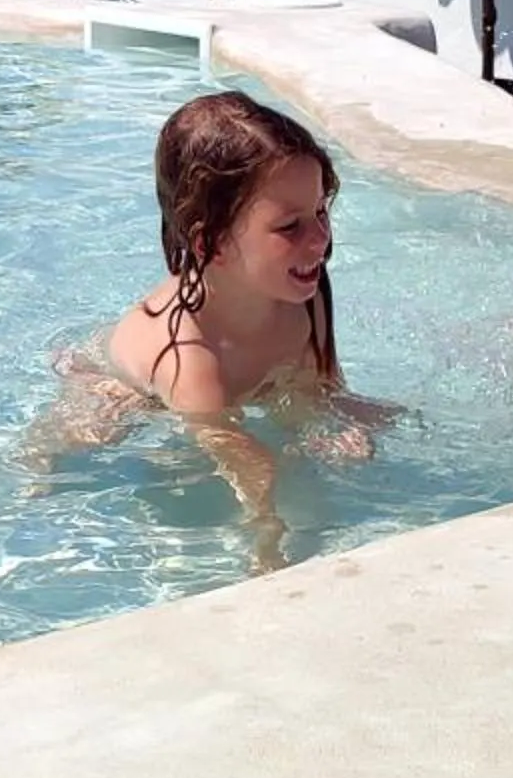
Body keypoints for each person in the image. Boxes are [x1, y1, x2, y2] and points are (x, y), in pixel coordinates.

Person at [43, 91, 375, 569]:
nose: (320, 239)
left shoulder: (304, 291)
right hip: (120, 384)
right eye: (290, 227)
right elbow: (237, 456)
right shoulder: (188, 353)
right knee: (83, 442)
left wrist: (330, 425)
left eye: (321, 211)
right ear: (212, 242)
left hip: (234, 387)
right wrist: (268, 542)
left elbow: (320, 389)